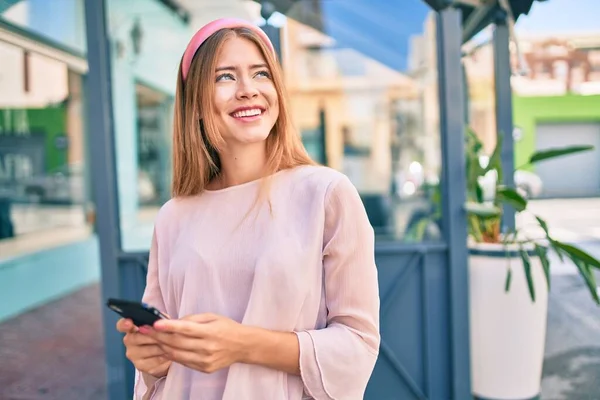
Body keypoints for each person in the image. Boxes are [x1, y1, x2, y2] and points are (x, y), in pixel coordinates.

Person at [116, 17, 380, 400]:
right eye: (225, 77)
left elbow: (358, 347)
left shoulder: (326, 194)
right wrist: (150, 358)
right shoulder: (173, 216)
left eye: (260, 74)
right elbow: (160, 363)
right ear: (197, 106)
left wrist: (242, 344)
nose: (247, 90)